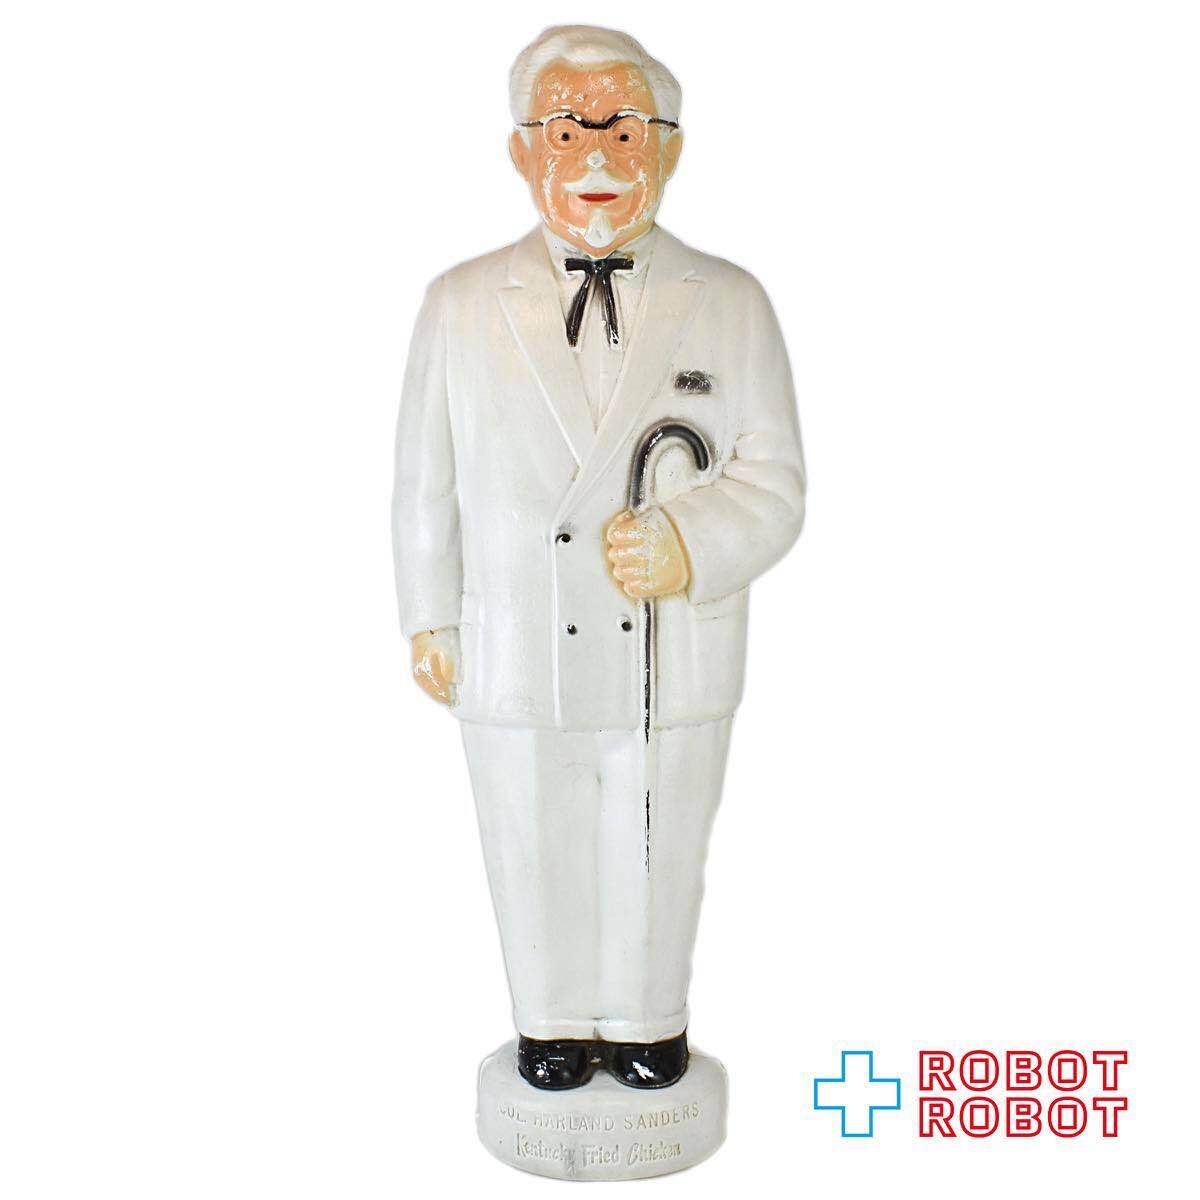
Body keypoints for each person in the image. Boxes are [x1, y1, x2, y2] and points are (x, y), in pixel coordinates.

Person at [393, 25, 805, 1090]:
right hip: (516, 634)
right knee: (532, 838)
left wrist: (688, 541)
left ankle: (647, 1021)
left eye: (624, 131)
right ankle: (549, 1021)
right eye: (568, 130)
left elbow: (774, 482)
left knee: (655, 840)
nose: (596, 157)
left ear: (669, 148)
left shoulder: (731, 302)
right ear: (523, 150)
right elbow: (425, 481)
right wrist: (430, 615)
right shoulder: (459, 303)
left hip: (669, 645)